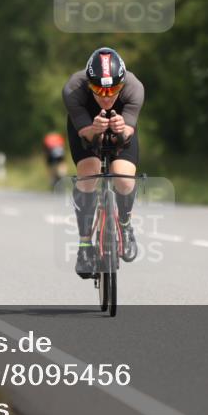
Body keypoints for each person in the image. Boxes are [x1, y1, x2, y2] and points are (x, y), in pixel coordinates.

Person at [63, 47, 143, 278]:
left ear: (122, 84)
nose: (106, 97)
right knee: (89, 173)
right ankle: (85, 244)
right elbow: (88, 137)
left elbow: (126, 136)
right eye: (98, 90)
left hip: (121, 128)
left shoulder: (134, 88)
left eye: (113, 90)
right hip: (86, 126)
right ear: (89, 84)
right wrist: (94, 130)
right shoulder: (73, 89)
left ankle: (126, 225)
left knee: (124, 179)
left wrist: (120, 131)